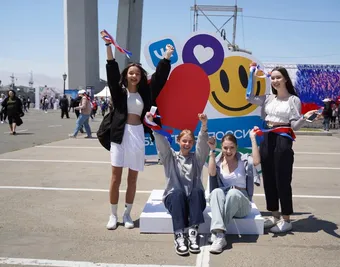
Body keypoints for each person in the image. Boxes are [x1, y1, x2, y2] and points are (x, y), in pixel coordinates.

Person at [101, 33, 173, 230]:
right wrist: (108, 46)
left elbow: (159, 79)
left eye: (138, 73)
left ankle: (127, 213)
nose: (134, 75)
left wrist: (166, 57)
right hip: (119, 136)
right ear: (126, 75)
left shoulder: (145, 94)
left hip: (137, 134)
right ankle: (113, 215)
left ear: (141, 77)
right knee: (115, 177)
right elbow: (111, 70)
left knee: (132, 178)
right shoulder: (119, 92)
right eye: (131, 73)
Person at [246, 66, 318, 233]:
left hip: (283, 140)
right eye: (273, 78)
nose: (275, 81)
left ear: (286, 79)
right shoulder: (268, 98)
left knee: (282, 179)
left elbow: (295, 126)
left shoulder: (294, 100)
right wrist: (251, 74)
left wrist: (304, 119)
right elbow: (248, 97)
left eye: (279, 77)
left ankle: (286, 219)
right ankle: (274, 215)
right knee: (269, 178)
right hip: (267, 138)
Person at [146, 112, 210, 256]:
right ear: (178, 141)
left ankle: (193, 233)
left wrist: (204, 125)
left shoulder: (197, 159)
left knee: (197, 191)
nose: (187, 144)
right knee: (177, 193)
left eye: (190, 142)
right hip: (175, 200)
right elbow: (162, 144)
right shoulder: (170, 157)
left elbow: (202, 146)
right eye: (184, 141)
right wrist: (152, 125)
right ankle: (179, 235)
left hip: (194, 201)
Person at [207, 131, 261, 254]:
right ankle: (220, 236)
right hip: (227, 203)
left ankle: (217, 233)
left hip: (242, 204)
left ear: (236, 147)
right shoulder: (218, 161)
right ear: (221, 147)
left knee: (233, 193)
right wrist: (212, 151)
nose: (229, 151)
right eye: (225, 148)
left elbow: (257, 161)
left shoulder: (243, 160)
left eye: (232, 148)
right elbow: (211, 174)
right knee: (215, 192)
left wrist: (253, 138)